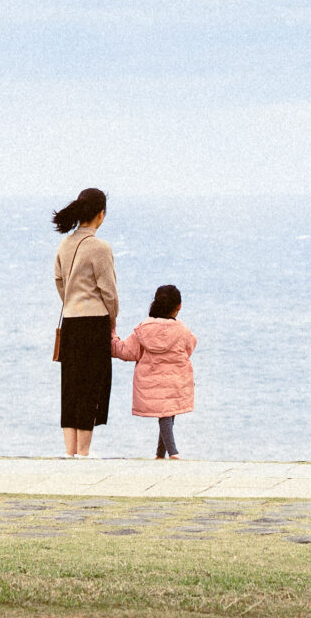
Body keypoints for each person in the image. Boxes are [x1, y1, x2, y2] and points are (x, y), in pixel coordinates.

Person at [52, 187, 119, 458]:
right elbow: (109, 291)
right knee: (91, 385)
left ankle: (69, 451)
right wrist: (112, 320)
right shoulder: (100, 247)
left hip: (70, 320)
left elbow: (58, 280)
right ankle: (84, 452)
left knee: (70, 385)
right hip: (94, 322)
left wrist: (69, 300)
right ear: (101, 215)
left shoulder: (65, 244)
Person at [111, 284, 196, 459]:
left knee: (166, 414)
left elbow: (125, 352)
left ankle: (160, 454)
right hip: (176, 381)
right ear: (179, 306)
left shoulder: (143, 329)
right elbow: (190, 347)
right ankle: (173, 453)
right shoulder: (183, 331)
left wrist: (112, 334)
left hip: (152, 382)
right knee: (167, 414)